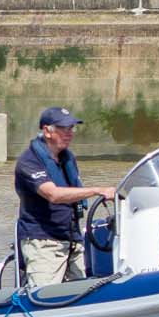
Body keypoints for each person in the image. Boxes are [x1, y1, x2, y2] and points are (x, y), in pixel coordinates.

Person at [14, 106, 109, 288]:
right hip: (44, 243)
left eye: (71, 129)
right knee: (44, 299)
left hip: (73, 240)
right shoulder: (29, 162)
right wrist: (98, 190)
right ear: (47, 131)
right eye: (63, 129)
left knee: (84, 295)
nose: (69, 133)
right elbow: (54, 194)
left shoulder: (67, 159)